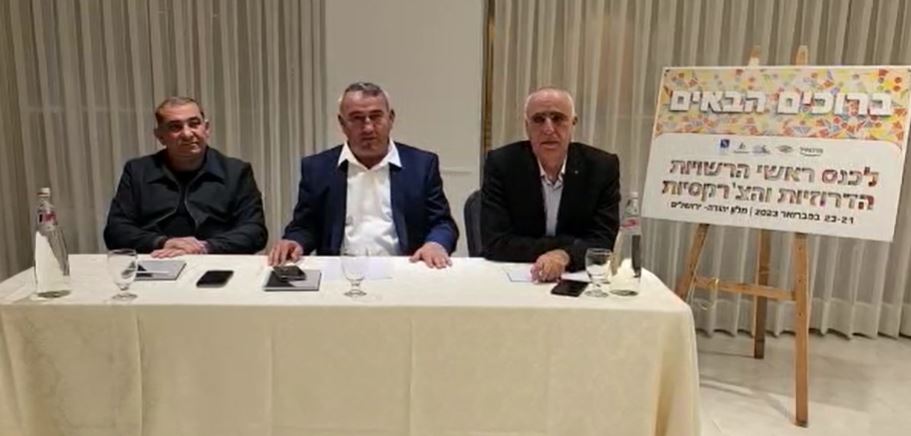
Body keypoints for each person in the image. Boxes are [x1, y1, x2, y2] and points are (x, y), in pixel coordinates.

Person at [268, 82, 458, 268]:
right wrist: (294, 241)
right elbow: (305, 226)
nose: (368, 128)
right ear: (342, 123)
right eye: (357, 118)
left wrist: (436, 244)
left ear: (391, 118)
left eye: (376, 117)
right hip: (340, 270)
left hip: (403, 268)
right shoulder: (318, 168)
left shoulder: (421, 165)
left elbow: (442, 223)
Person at [481, 87, 620, 281]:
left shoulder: (602, 167)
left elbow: (603, 241)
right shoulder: (502, 164)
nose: (548, 129)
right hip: (517, 276)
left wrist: (564, 256)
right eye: (539, 119)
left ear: (573, 123)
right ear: (527, 126)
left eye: (558, 118)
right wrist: (567, 246)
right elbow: (495, 242)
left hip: (576, 277)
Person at [104, 96, 267, 257]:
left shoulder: (236, 172)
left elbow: (255, 231)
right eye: (175, 127)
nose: (187, 134)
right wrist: (162, 242)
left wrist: (205, 247)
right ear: (160, 136)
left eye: (194, 124)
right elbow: (115, 231)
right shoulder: (137, 171)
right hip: (156, 260)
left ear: (206, 128)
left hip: (214, 261)